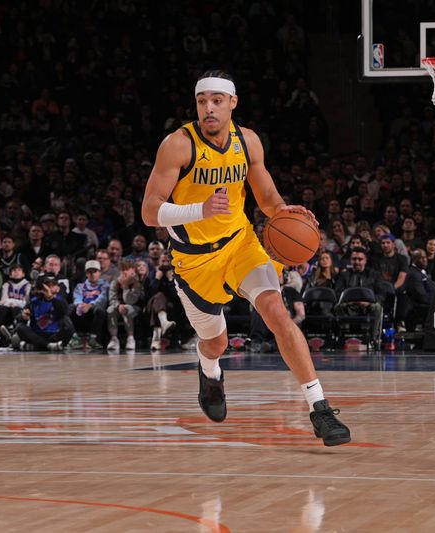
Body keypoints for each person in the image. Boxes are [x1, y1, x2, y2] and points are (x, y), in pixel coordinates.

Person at [141, 70, 349, 446]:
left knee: (277, 313)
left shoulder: (248, 142)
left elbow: (267, 197)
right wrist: (198, 211)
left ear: (232, 103)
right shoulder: (177, 145)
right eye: (203, 101)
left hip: (240, 244)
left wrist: (289, 214)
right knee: (216, 343)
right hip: (194, 260)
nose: (209, 109)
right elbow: (149, 211)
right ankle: (209, 371)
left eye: (217, 101)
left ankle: (320, 409)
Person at [248, 270, 305, 353]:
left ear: (284, 278)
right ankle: (256, 342)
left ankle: (270, 346)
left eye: (279, 275)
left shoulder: (291, 291)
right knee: (257, 311)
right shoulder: (264, 293)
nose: (276, 277)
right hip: (268, 323)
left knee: (286, 332)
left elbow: (301, 315)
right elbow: (252, 309)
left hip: (287, 324)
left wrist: (289, 324)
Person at [11, 277, 74, 351]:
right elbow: (20, 317)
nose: (49, 288)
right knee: (20, 327)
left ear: (57, 288)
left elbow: (64, 312)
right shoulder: (34, 301)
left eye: (52, 285)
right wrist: (23, 317)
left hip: (55, 335)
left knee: (68, 324)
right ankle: (47, 345)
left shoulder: (60, 300)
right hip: (37, 334)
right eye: (47, 285)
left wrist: (50, 297)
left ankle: (35, 346)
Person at [106, 259, 144, 352]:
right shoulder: (115, 282)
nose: (125, 272)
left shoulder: (136, 283)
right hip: (119, 306)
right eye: (122, 269)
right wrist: (118, 305)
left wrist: (126, 286)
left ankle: (130, 338)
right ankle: (114, 339)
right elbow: (112, 298)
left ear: (133, 270)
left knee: (127, 308)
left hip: (134, 307)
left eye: (127, 269)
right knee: (110, 309)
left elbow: (130, 301)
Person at [71, 259, 109, 349]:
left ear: (99, 272)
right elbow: (77, 297)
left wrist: (90, 305)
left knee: (100, 310)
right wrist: (79, 305)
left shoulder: (105, 284)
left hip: (95, 308)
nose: (92, 274)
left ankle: (94, 339)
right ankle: (74, 338)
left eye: (95, 271)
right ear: (86, 273)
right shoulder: (80, 286)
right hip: (82, 308)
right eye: (89, 271)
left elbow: (102, 298)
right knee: (69, 308)